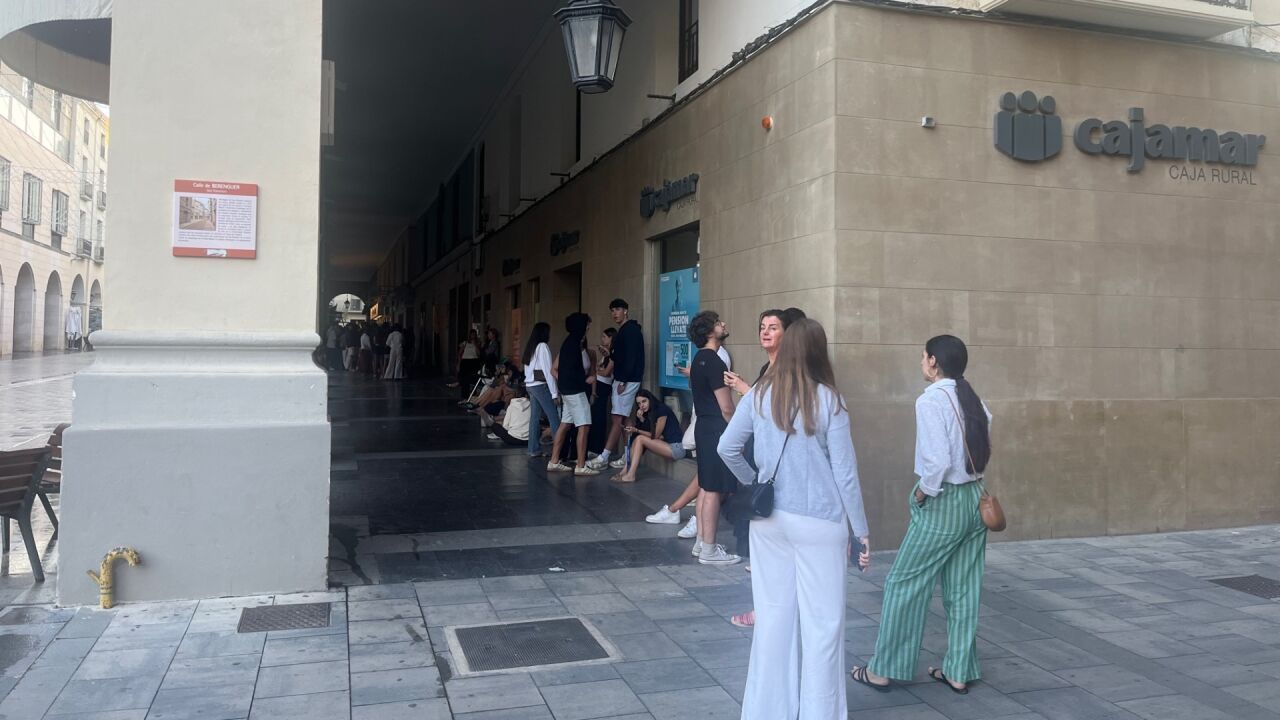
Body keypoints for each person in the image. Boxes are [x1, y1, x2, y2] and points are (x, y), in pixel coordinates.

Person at [719, 318, 871, 720]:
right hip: (820, 521)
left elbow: (726, 448)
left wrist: (757, 482)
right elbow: (845, 473)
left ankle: (767, 711)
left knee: (772, 619)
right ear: (819, 351)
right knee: (823, 626)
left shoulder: (759, 394)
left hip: (769, 520)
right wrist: (861, 530)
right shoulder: (829, 400)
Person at [852, 335, 992, 695]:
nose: (921, 362)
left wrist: (922, 491)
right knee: (963, 588)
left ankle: (884, 670)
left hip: (943, 501)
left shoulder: (931, 400)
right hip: (976, 498)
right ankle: (959, 670)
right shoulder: (973, 398)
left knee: (903, 583)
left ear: (933, 361)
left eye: (923, 356)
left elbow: (938, 461)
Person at [686, 310, 739, 566]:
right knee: (715, 489)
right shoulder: (716, 362)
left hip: (703, 427)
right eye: (718, 322)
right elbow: (726, 407)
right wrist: (738, 431)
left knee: (707, 487)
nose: (723, 324)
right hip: (718, 429)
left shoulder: (699, 359)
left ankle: (701, 542)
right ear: (709, 331)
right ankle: (709, 549)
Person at [587, 299, 644, 470]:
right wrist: (609, 353)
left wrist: (624, 380)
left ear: (625, 310)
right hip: (623, 379)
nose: (614, 313)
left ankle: (604, 457)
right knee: (623, 418)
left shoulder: (630, 330)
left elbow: (631, 357)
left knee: (618, 418)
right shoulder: (625, 330)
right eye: (612, 310)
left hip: (627, 380)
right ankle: (628, 455)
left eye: (618, 309)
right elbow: (622, 355)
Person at [547, 313, 599, 476]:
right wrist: (586, 380)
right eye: (586, 324)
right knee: (584, 425)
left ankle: (554, 461)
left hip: (567, 391)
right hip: (576, 392)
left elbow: (563, 370)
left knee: (565, 424)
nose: (588, 327)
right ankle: (581, 466)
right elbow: (571, 371)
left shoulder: (568, 342)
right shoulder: (574, 344)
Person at [614, 389, 684, 483]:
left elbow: (655, 436)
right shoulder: (649, 412)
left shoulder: (661, 410)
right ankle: (625, 470)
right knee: (637, 439)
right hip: (665, 445)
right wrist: (641, 419)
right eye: (639, 403)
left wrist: (637, 430)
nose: (642, 405)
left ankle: (630, 475)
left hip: (676, 448)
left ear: (650, 399)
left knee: (640, 438)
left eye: (644, 401)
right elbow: (651, 433)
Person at [521, 322, 560, 458]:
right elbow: (548, 372)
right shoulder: (542, 346)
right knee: (554, 417)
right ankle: (558, 451)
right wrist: (554, 393)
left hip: (530, 385)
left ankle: (533, 449)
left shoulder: (530, 346)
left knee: (534, 418)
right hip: (540, 386)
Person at [587, 328, 616, 456]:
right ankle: (593, 446)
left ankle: (597, 448)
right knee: (594, 416)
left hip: (603, 386)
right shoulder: (606, 354)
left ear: (611, 338)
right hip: (599, 384)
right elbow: (600, 368)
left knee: (598, 416)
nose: (602, 339)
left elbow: (606, 372)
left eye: (604, 337)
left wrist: (595, 371)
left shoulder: (613, 353)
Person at [457, 329, 483, 398]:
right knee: (464, 379)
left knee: (473, 378)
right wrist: (458, 363)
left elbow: (479, 354)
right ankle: (464, 396)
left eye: (474, 334)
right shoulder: (465, 343)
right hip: (465, 361)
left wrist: (475, 344)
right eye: (471, 334)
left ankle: (473, 394)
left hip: (474, 362)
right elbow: (459, 353)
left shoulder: (478, 343)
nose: (473, 336)